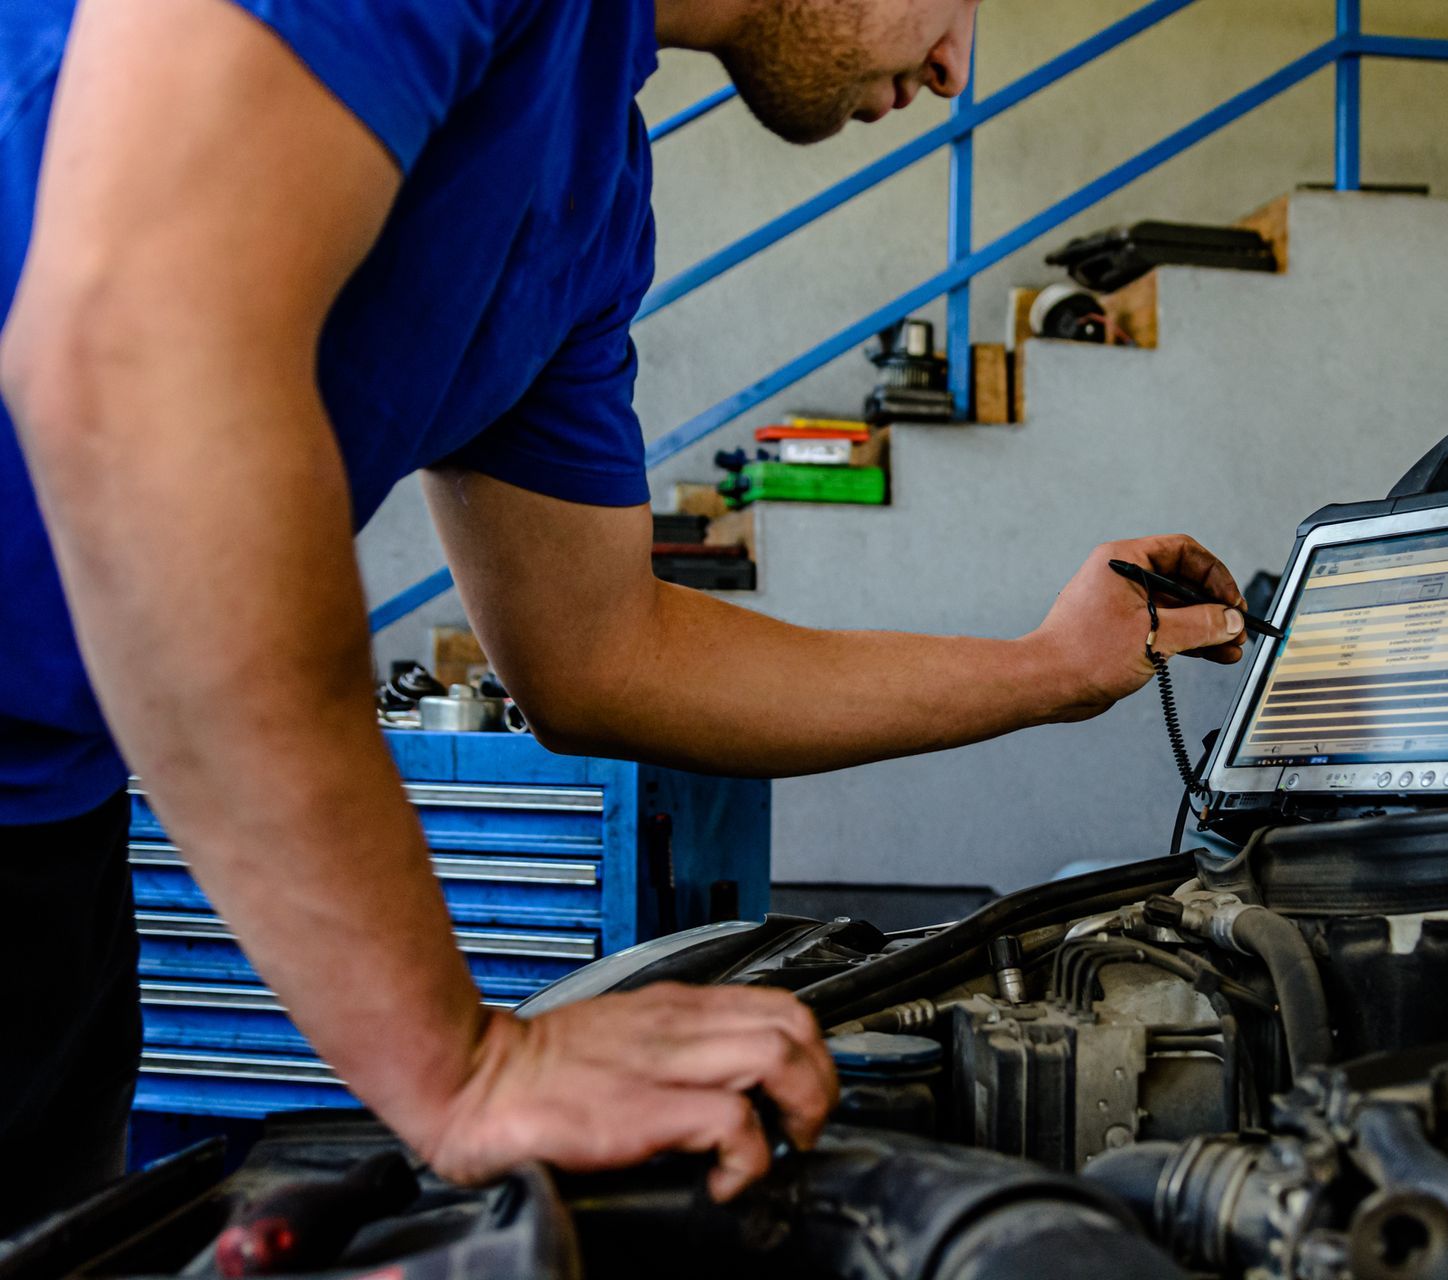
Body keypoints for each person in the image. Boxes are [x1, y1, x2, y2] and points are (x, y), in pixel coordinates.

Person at [0, 0, 1250, 1231]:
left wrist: (1048, 668)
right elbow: (134, 359)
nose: (956, 66)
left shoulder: (590, 194)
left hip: (50, 841)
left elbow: (601, 650)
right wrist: (459, 1064)